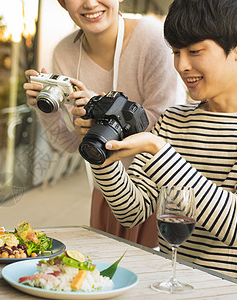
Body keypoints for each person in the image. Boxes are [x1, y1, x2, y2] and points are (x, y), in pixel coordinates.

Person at [90, 0, 237, 291]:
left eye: (195, 51)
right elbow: (132, 212)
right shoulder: (173, 121)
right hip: (169, 290)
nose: (182, 65)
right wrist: (104, 158)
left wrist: (159, 151)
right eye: (176, 52)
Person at [24, 0, 178, 248]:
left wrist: (100, 107)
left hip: (153, 192)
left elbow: (165, 125)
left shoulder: (153, 38)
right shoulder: (65, 52)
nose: (90, 3)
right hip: (106, 189)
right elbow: (69, 144)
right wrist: (46, 108)